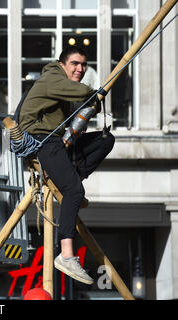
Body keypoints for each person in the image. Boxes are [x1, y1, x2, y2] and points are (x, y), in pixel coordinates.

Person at [18, 46, 115, 285]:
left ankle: (73, 176)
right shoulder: (53, 77)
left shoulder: (63, 84)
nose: (80, 69)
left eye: (83, 65)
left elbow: (84, 104)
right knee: (74, 192)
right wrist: (95, 96)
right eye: (74, 63)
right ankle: (66, 254)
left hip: (58, 143)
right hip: (42, 141)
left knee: (105, 140)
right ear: (62, 64)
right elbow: (83, 94)